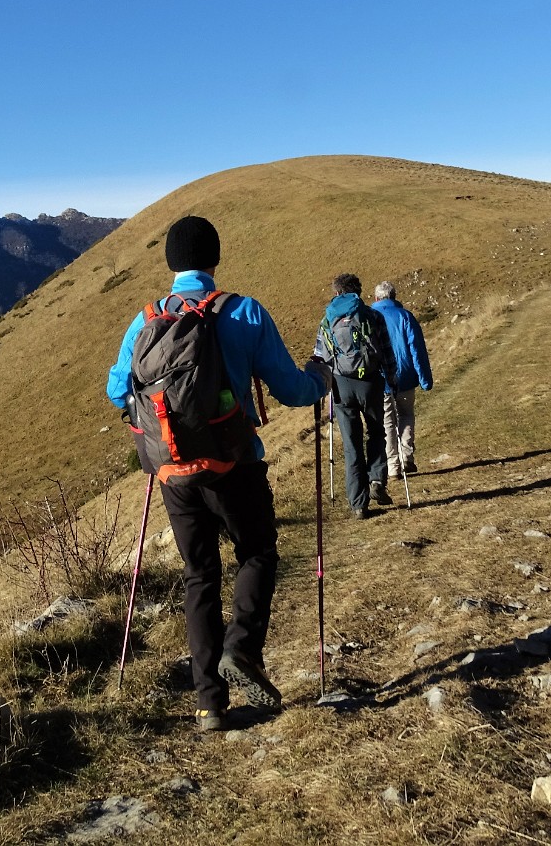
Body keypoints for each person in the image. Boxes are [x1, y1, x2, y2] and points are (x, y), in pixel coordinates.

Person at [107, 215, 332, 732]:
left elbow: (118, 391)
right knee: (256, 552)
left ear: (171, 264)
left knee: (199, 576)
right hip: (234, 464)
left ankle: (210, 704)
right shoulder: (244, 311)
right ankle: (242, 648)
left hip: (173, 472)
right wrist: (319, 376)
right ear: (215, 258)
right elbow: (293, 391)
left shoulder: (144, 321)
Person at [313, 274, 396, 519]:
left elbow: (320, 356)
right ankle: (377, 481)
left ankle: (358, 504)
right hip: (370, 382)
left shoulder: (327, 319)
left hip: (341, 385)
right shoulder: (373, 316)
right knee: (377, 431)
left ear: (337, 292)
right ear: (358, 292)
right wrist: (392, 379)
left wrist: (322, 386)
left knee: (352, 444)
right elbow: (387, 352)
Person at [372, 281, 433, 476]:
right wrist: (425, 379)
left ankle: (393, 465)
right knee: (406, 414)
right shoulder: (406, 316)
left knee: (388, 421)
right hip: (405, 376)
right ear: (394, 296)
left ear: (376, 298)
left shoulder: (370, 318)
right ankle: (407, 456)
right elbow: (418, 350)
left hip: (381, 379)